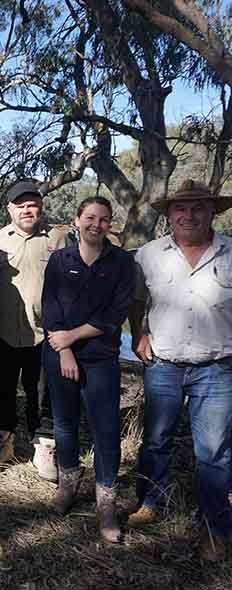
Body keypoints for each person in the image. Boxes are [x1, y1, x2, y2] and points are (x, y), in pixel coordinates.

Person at [128, 180, 232, 561]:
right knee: (156, 439)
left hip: (218, 366)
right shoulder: (149, 254)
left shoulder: (230, 251)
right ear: (169, 215)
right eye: (181, 209)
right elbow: (136, 299)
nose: (189, 215)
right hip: (164, 363)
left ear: (212, 212)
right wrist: (139, 334)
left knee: (214, 452)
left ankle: (214, 528)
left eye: (198, 207)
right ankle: (151, 502)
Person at [41, 196, 134, 543]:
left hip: (100, 357)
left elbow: (115, 315)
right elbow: (49, 308)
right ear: (76, 220)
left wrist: (73, 337)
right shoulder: (59, 260)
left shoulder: (122, 262)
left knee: (106, 429)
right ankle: (68, 486)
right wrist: (64, 350)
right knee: (64, 423)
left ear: (110, 225)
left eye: (104, 219)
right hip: (58, 355)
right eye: (90, 217)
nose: (97, 224)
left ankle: (106, 504)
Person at [0, 180, 68, 481]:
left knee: (42, 393)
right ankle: (3, 443)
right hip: (2, 332)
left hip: (45, 335)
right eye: (21, 205)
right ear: (10, 209)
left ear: (40, 207)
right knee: (1, 390)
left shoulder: (58, 239)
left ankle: (43, 447)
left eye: (32, 204)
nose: (27, 210)